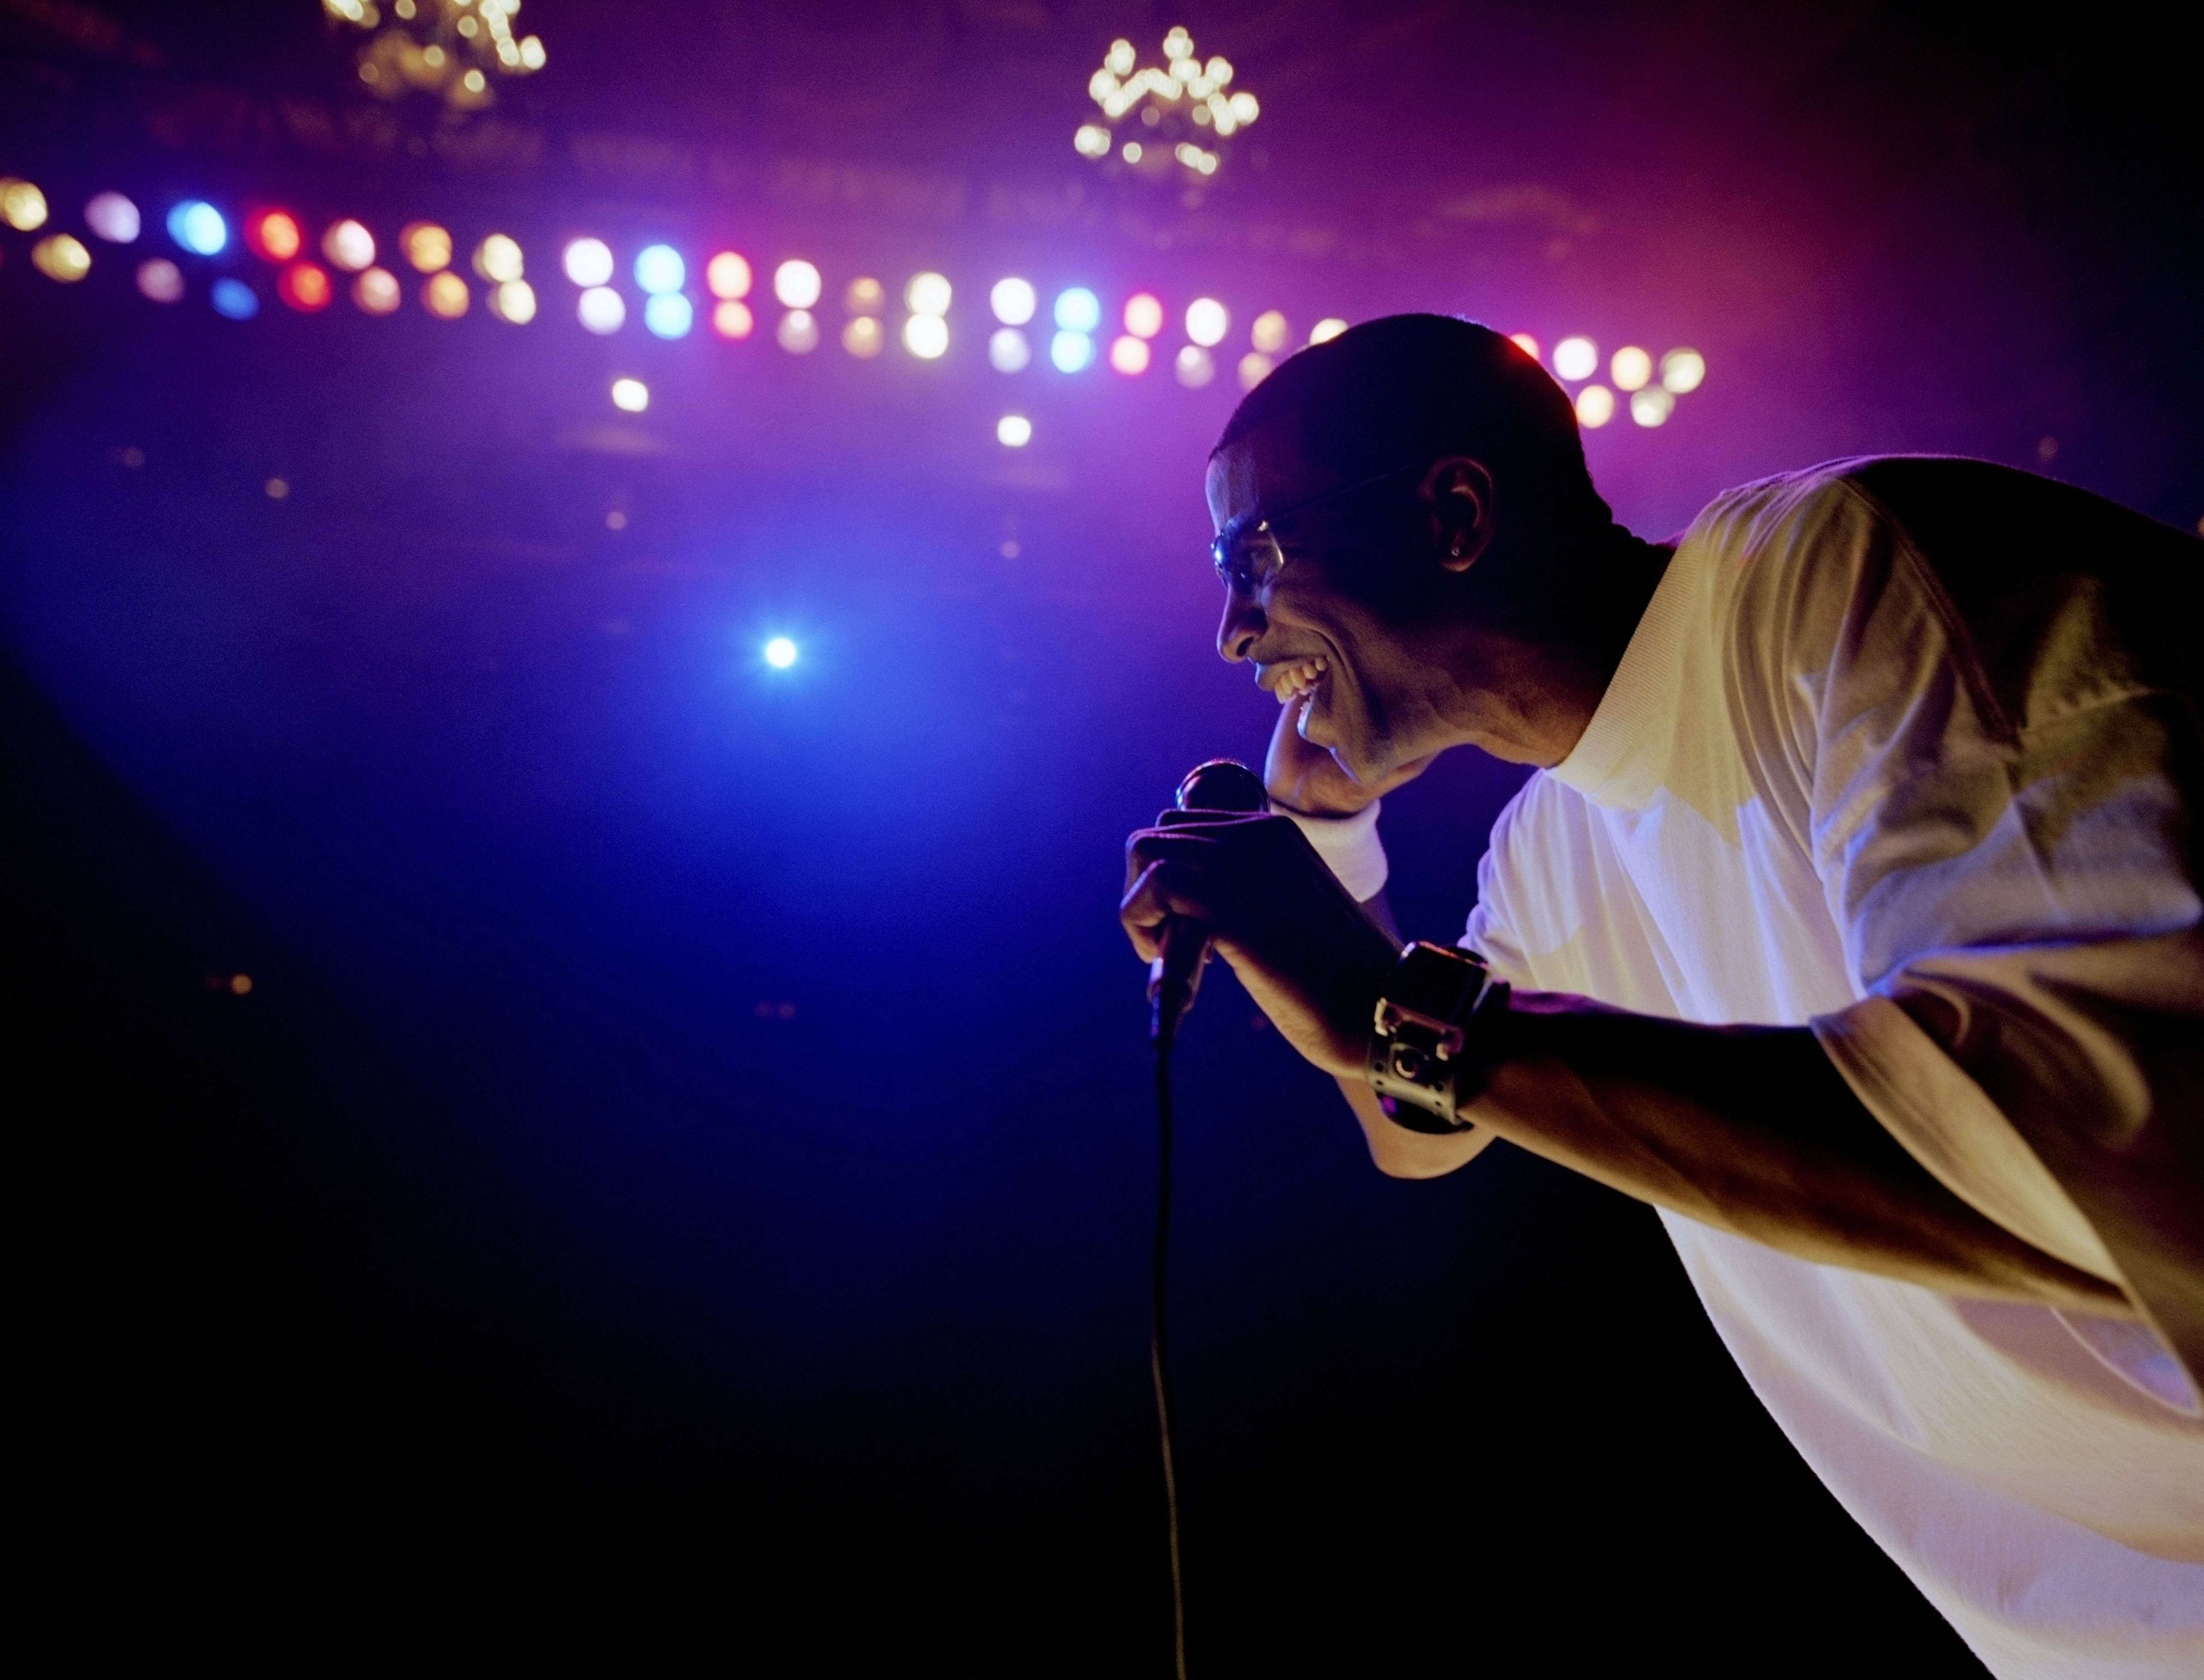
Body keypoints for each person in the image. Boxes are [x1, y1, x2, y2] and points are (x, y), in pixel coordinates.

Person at [1120, 314, 2204, 1677]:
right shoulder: (1555, 841)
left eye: (1254, 558)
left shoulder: (1850, 572)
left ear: (1454, 515)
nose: (1232, 635)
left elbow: (2077, 1145)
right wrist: (1331, 850)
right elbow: (1420, 1125)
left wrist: (1393, 1008)